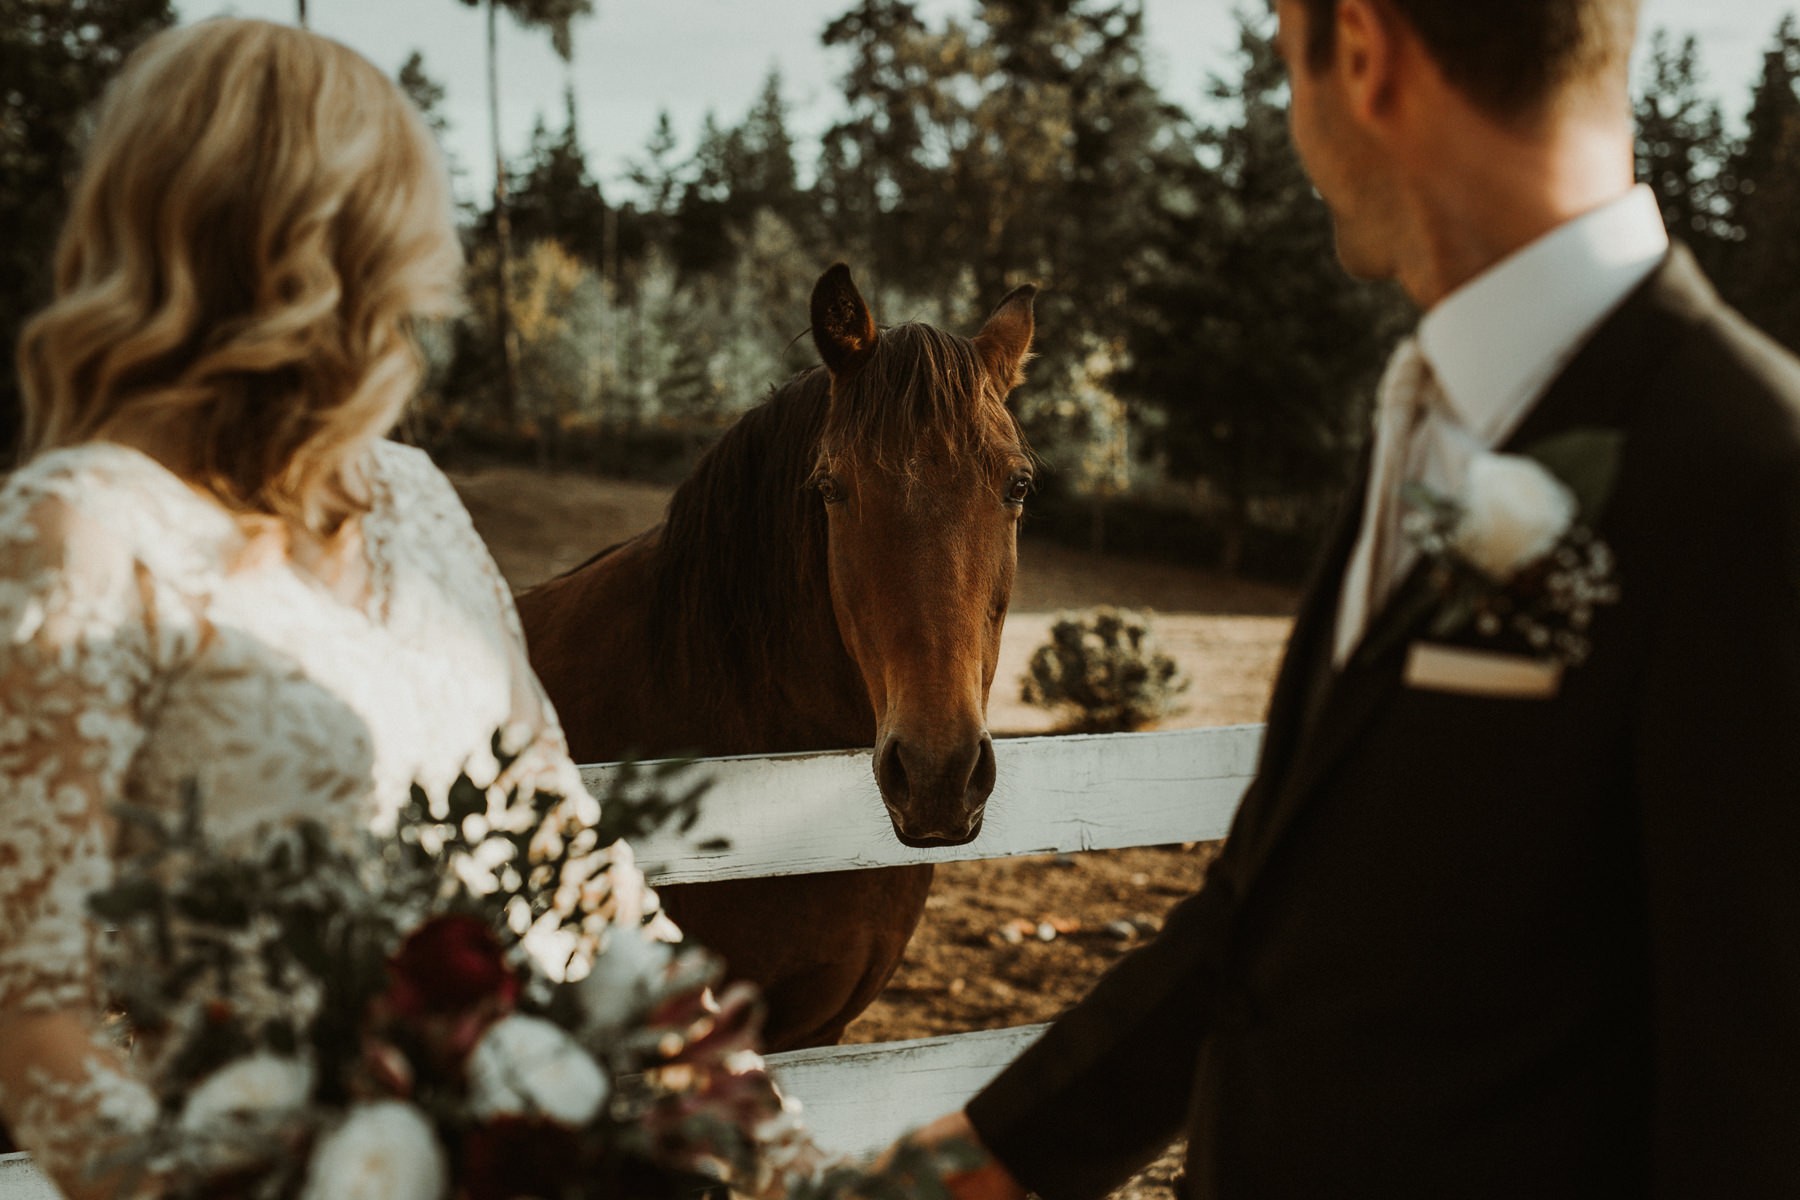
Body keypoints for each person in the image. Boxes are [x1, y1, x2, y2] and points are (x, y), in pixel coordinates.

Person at [904, 0, 1800, 1196]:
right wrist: (975, 1163)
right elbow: (1269, 916)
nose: (1291, 123)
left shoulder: (1757, 484)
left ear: (1365, 54)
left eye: (1288, 66)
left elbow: (1754, 1112)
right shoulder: (1435, 412)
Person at [0, 20, 656, 1198]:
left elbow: (572, 853)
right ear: (302, 242)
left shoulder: (417, 494)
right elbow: (30, 1015)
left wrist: (740, 1115)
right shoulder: (82, 528)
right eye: (405, 214)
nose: (429, 264)